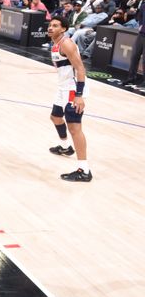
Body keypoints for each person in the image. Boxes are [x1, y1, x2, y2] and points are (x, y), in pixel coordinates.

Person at [47, 17, 92, 182]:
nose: (51, 28)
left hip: (73, 90)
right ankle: (66, 147)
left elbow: (80, 68)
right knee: (55, 117)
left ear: (64, 29)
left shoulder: (67, 44)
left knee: (74, 128)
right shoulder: (56, 43)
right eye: (50, 25)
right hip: (63, 88)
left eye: (55, 25)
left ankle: (84, 170)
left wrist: (78, 95)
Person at [122, 0, 145, 87]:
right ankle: (131, 77)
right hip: (142, 34)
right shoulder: (143, 4)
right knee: (134, 56)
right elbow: (139, 16)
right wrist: (140, 25)